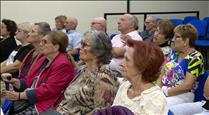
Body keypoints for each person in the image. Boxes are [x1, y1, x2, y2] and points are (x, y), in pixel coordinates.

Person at [1, 31, 76, 114]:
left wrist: (20, 96)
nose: (41, 44)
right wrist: (13, 81)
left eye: (45, 42)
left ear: (56, 47)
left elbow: (49, 90)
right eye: (41, 41)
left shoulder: (63, 64)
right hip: (34, 99)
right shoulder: (43, 58)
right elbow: (29, 80)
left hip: (47, 104)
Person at [56, 30, 119, 114]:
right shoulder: (83, 70)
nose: (80, 47)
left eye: (84, 45)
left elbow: (101, 111)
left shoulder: (103, 77)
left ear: (98, 51)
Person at [112, 39, 167, 115]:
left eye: (127, 60)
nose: (121, 63)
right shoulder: (125, 86)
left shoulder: (155, 98)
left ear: (141, 67)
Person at [157, 24, 205, 107]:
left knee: (158, 105)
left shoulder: (195, 57)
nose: (172, 40)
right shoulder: (173, 53)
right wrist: (157, 90)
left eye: (177, 37)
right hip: (164, 91)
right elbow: (162, 74)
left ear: (186, 41)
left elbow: (187, 85)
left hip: (183, 95)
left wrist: (165, 92)